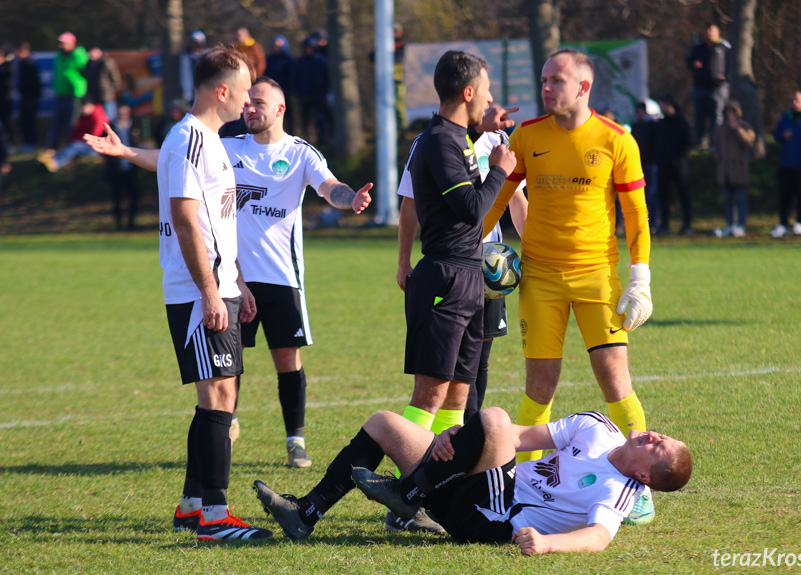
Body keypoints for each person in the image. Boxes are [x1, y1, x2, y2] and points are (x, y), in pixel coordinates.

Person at [86, 76, 373, 469]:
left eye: (259, 102)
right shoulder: (225, 147)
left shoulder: (301, 153)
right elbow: (171, 161)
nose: (250, 107)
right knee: (229, 361)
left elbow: (329, 186)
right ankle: (227, 426)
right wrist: (125, 151)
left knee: (287, 358)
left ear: (280, 110)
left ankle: (295, 440)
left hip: (282, 277)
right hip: (230, 277)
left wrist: (349, 199)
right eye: (248, 101)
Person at [101, 44, 268, 541]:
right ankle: (216, 519)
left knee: (219, 394)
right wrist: (212, 293)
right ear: (222, 91)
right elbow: (186, 219)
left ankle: (193, 503)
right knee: (219, 396)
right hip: (199, 293)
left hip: (218, 286)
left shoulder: (208, 139)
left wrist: (236, 281)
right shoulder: (188, 139)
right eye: (242, 93)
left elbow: (217, 221)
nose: (246, 103)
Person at [482, 49, 656, 525]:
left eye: (556, 80)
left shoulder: (617, 139)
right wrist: (474, 245)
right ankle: (527, 485)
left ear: (584, 87)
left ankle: (639, 487)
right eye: (543, 80)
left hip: (598, 275)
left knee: (614, 379)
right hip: (538, 277)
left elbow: (637, 215)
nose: (546, 88)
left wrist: (640, 276)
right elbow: (499, 196)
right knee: (540, 385)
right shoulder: (527, 135)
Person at [252, 406, 692, 554]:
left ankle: (410, 493)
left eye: (658, 448)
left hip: (495, 517)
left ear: (642, 476)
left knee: (495, 418)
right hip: (476, 487)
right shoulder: (597, 426)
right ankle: (305, 513)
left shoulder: (620, 489)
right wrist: (455, 439)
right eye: (663, 437)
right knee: (385, 424)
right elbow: (519, 438)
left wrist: (546, 542)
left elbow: (598, 538)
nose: (655, 436)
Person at [396, 50, 514, 475]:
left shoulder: (459, 137)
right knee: (430, 393)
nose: (491, 97)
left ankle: (436, 486)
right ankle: (404, 490)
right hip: (444, 275)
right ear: (467, 92)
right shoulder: (438, 142)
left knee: (459, 396)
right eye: (485, 89)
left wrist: (489, 133)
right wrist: (499, 170)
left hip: (470, 277)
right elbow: (470, 208)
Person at [770, 91, 801, 238]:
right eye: (791, 100)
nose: (793, 103)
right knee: (784, 195)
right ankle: (783, 223)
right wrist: (782, 136)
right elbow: (777, 135)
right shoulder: (786, 117)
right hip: (786, 163)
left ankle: (800, 222)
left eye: (796, 100)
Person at [713, 100, 755, 238]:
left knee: (741, 199)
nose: (730, 116)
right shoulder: (721, 129)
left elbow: (749, 142)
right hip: (725, 172)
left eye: (732, 113)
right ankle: (730, 224)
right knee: (728, 199)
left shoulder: (744, 126)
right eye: (728, 113)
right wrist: (719, 161)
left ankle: (741, 225)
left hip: (739, 172)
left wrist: (737, 129)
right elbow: (716, 147)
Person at [655, 93, 694, 235]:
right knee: (663, 196)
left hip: (678, 165)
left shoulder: (682, 121)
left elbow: (689, 141)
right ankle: (664, 225)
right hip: (663, 165)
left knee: (683, 195)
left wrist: (679, 156)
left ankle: (687, 225)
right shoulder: (661, 123)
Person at [687, 23, 731, 148]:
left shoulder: (725, 47)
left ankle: (715, 142)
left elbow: (732, 64)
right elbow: (689, 61)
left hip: (717, 88)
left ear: (718, 32)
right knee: (699, 116)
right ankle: (700, 142)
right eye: (708, 31)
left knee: (716, 116)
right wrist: (693, 64)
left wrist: (725, 76)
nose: (709, 34)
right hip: (700, 87)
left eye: (712, 31)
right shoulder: (699, 46)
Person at [45, 32, 88, 151]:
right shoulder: (59, 56)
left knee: (72, 122)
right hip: (60, 93)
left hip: (74, 94)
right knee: (57, 121)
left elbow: (86, 72)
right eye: (59, 43)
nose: (60, 46)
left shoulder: (79, 55)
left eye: (63, 43)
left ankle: (70, 145)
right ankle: (53, 146)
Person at [37, 100, 107, 171]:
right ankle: (48, 159)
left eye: (84, 107)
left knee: (74, 146)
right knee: (70, 146)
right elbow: (75, 132)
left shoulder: (99, 118)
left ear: (91, 106)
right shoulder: (82, 117)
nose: (82, 110)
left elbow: (95, 137)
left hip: (94, 147)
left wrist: (76, 142)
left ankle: (55, 163)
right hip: (81, 144)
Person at [104, 104, 140, 230]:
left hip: (130, 170)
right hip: (116, 171)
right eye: (120, 114)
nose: (122, 117)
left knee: (134, 196)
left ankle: (131, 223)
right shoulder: (111, 129)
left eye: (125, 114)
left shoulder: (134, 127)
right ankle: (118, 224)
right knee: (117, 198)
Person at [291, 36, 331, 146]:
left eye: (310, 47)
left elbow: (327, 78)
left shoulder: (322, 61)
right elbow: (295, 78)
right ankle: (307, 140)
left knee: (320, 118)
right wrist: (298, 91)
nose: (308, 50)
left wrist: (324, 90)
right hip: (304, 96)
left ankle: (322, 140)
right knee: (305, 119)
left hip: (319, 95)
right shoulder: (299, 62)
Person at [630, 102, 660, 234]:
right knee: (638, 196)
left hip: (649, 166)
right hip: (638, 166)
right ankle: (640, 224)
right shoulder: (635, 126)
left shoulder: (652, 126)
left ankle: (652, 223)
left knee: (651, 196)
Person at [15, 43, 42, 152]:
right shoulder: (22, 64)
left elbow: (34, 83)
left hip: (30, 98)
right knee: (24, 121)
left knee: (29, 121)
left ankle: (31, 143)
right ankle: (27, 143)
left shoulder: (30, 64)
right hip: (25, 97)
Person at [264, 35, 294, 135]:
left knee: (289, 115)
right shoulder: (268, 60)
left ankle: (291, 132)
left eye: (278, 46)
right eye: (274, 46)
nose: (276, 48)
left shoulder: (289, 60)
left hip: (286, 92)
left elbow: (292, 75)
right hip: (271, 93)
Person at [85, 47, 123, 123]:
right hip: (94, 97)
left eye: (93, 51)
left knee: (110, 119)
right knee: (97, 121)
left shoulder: (106, 61)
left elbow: (115, 77)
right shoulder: (89, 64)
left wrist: (114, 90)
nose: (91, 54)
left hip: (107, 96)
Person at [180, 30, 207, 106]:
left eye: (198, 43)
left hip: (205, 92)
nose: (196, 45)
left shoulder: (207, 55)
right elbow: (185, 75)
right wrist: (187, 93)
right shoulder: (186, 56)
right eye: (194, 43)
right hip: (192, 93)